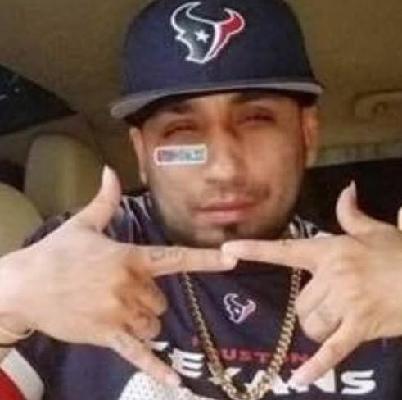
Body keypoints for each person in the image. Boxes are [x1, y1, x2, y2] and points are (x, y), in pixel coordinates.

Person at [0, 0, 401, 399]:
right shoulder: (80, 256)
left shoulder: (371, 284)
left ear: (307, 135)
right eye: (180, 130)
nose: (223, 169)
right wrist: (8, 304)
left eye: (256, 119)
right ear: (141, 154)